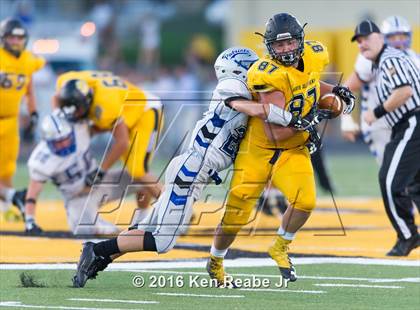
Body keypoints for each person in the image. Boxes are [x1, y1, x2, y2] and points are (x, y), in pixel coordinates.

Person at [71, 46, 322, 288]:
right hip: (191, 171)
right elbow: (246, 106)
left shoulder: (250, 90)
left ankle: (101, 257)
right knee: (162, 241)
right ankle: (95, 250)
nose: (257, 71)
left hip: (192, 169)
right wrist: (288, 118)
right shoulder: (232, 87)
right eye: (250, 66)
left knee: (146, 228)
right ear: (237, 70)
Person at [206, 13, 356, 285]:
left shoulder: (314, 54)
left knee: (306, 201)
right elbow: (274, 130)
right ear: (269, 47)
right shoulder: (266, 73)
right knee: (235, 215)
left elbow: (309, 84)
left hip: (292, 148)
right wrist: (313, 121)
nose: (285, 50)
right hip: (260, 149)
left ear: (301, 40)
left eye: (289, 44)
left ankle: (280, 246)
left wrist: (334, 91)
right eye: (279, 45)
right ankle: (216, 261)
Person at [54, 71, 163, 220]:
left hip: (146, 111)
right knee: (136, 171)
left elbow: (122, 142)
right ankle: (142, 218)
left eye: (77, 110)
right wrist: (58, 120)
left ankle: (178, 212)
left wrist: (99, 172)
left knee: (138, 170)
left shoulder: (105, 106)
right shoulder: (66, 83)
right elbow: (56, 98)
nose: (75, 115)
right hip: (126, 108)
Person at [353, 20, 420, 256]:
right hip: (408, 124)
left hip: (413, 123)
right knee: (415, 185)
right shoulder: (384, 61)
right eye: (359, 42)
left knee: (390, 181)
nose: (362, 45)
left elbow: (404, 92)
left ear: (380, 37)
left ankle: (408, 235)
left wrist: (376, 112)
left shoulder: (390, 59)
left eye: (366, 38)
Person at [24, 112, 121, 235]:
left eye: (66, 139)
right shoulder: (42, 159)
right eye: (58, 142)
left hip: (102, 183)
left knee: (141, 177)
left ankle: (143, 220)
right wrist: (29, 220)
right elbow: (33, 192)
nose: (64, 144)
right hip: (77, 197)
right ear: (48, 142)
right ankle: (96, 222)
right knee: (85, 231)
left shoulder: (79, 130)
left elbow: (106, 125)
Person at [0, 18, 44, 214]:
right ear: (4, 38)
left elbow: (29, 90)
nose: (16, 42)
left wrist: (33, 112)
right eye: (12, 37)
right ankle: (9, 198)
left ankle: (6, 206)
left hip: (10, 119)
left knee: (7, 168)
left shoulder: (28, 60)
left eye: (19, 38)